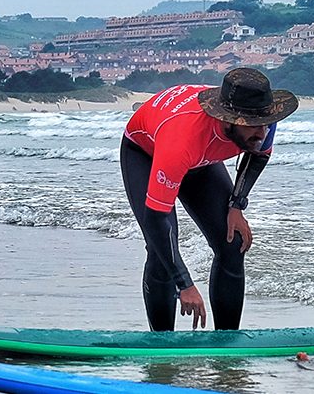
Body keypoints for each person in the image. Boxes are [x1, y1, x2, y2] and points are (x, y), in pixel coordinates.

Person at [120, 67, 296, 331]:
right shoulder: (180, 141)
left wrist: (236, 205)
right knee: (161, 251)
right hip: (146, 152)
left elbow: (259, 155)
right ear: (228, 120)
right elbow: (156, 220)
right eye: (252, 125)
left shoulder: (262, 119)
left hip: (200, 159)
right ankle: (162, 346)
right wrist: (185, 285)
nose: (262, 132)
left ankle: (226, 343)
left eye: (265, 122)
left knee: (232, 243)